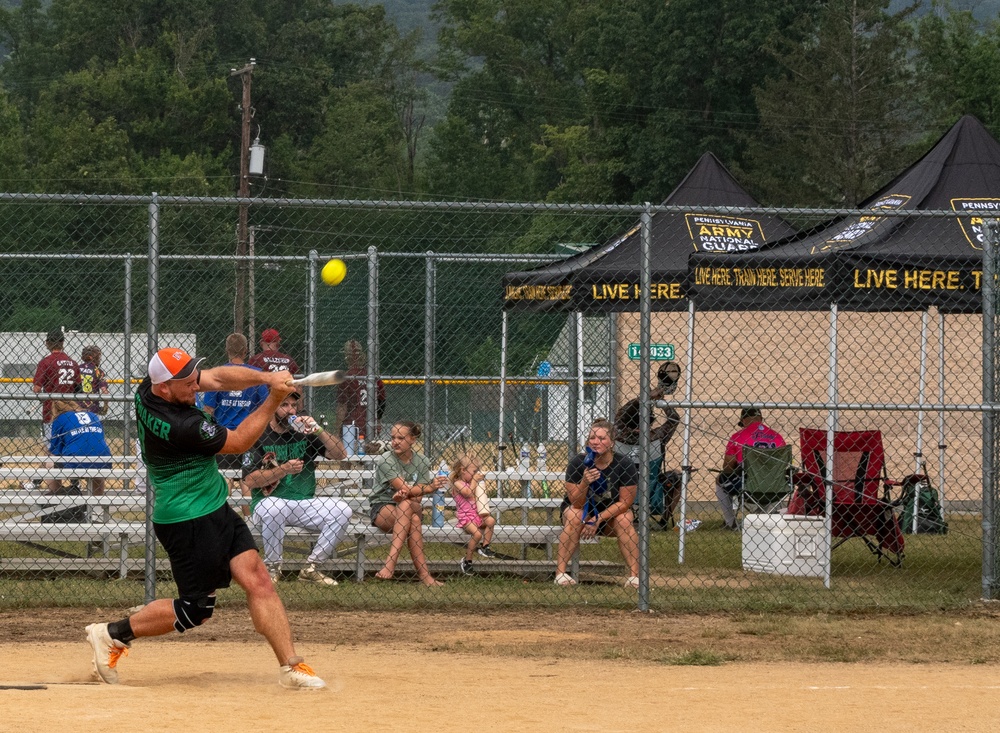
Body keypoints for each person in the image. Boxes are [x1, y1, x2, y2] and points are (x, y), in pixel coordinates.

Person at [85, 347, 325, 689]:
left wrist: (265, 377)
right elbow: (240, 441)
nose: (196, 386)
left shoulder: (149, 389)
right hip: (187, 519)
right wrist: (272, 398)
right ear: (166, 388)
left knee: (257, 578)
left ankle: (292, 666)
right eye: (187, 382)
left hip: (213, 507)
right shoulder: (183, 425)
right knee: (194, 610)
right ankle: (110, 634)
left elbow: (215, 376)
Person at [242, 391, 352, 586]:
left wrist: (318, 430)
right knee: (275, 507)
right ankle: (273, 567)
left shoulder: (304, 432)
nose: (290, 410)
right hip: (267, 505)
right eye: (284, 405)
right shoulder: (258, 435)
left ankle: (311, 567)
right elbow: (250, 480)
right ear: (272, 407)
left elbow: (340, 454)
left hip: (303, 503)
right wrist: (283, 469)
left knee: (342, 510)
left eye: (294, 406)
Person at [554, 418, 640, 588]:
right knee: (574, 515)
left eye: (601, 438)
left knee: (625, 518)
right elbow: (576, 502)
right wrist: (585, 482)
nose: (596, 442)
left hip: (610, 517)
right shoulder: (578, 463)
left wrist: (598, 518)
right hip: (581, 513)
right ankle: (561, 574)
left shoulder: (624, 464)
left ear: (611, 443)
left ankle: (634, 577)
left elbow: (625, 503)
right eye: (592, 438)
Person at [369, 420, 447, 586]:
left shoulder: (422, 461)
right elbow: (404, 488)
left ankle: (389, 565)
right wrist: (429, 487)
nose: (395, 441)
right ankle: (425, 577)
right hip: (383, 505)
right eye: (393, 437)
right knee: (414, 519)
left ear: (412, 439)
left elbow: (415, 498)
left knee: (405, 505)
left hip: (411, 505)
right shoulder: (385, 460)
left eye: (401, 438)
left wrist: (410, 494)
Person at [614, 361, 683, 528]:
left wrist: (644, 399)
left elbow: (620, 415)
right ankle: (664, 521)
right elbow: (674, 419)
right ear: (650, 422)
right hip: (651, 489)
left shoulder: (620, 435)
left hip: (620, 488)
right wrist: (663, 402)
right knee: (678, 478)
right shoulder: (656, 436)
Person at [203, 334, 269, 480]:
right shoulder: (256, 374)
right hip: (249, 435)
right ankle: (248, 504)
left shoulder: (218, 374)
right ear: (245, 351)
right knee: (248, 478)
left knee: (226, 477)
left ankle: (225, 503)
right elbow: (265, 406)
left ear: (227, 350)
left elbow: (208, 410)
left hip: (224, 435)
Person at [715, 407, 788, 530]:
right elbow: (785, 463)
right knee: (767, 482)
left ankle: (730, 523)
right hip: (776, 486)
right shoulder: (777, 437)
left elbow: (728, 466)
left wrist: (734, 469)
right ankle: (760, 516)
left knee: (720, 480)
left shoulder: (737, 436)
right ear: (761, 419)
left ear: (743, 420)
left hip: (748, 485)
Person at [48, 399, 112, 496]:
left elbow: (55, 450)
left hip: (76, 459)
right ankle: (96, 503)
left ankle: (56, 497)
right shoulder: (93, 415)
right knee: (96, 468)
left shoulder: (60, 418)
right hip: (103, 458)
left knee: (49, 462)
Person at [336, 339, 386, 457]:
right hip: (370, 422)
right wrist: (377, 420)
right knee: (369, 455)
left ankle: (345, 476)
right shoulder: (372, 376)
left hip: (350, 424)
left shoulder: (347, 377)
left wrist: (337, 430)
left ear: (347, 356)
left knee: (346, 455)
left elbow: (342, 407)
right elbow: (382, 402)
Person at [450, 453, 496, 575]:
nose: (476, 474)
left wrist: (478, 483)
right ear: (463, 470)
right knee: (476, 534)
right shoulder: (457, 483)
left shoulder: (473, 482)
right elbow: (467, 493)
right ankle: (468, 560)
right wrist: (475, 481)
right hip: (465, 517)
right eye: (474, 471)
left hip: (476, 514)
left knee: (491, 521)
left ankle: (485, 547)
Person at [33, 330, 80, 443]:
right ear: (63, 343)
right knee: (67, 444)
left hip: (51, 410)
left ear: (47, 343)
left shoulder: (45, 362)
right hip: (70, 411)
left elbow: (37, 388)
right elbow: (78, 388)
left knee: (51, 448)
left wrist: (43, 394)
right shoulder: (73, 363)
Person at [78, 345, 109, 416]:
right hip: (92, 408)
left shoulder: (77, 369)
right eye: (98, 356)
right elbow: (105, 391)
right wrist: (105, 406)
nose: (99, 359)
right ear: (92, 357)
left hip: (77, 407)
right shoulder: (98, 371)